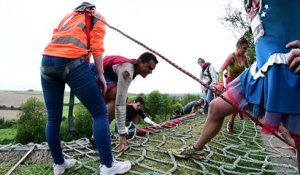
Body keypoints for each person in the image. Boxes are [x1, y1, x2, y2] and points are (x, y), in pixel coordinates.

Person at [172, 0, 300, 171]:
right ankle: (195, 148)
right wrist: (219, 82)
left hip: (290, 68)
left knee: (298, 138)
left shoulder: (244, 58)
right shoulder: (232, 55)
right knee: (216, 107)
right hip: (259, 71)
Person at [40, 2, 131, 175]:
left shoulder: (68, 17)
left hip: (46, 62)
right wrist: (100, 75)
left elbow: (56, 37)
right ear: (93, 9)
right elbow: (96, 46)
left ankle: (59, 164)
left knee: (53, 118)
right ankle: (108, 165)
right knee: (99, 113)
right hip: (72, 62)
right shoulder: (98, 18)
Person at [90, 52, 158, 151]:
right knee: (120, 97)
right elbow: (120, 103)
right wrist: (122, 134)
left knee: (118, 98)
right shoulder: (127, 71)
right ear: (140, 62)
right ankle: (98, 136)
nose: (150, 72)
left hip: (101, 75)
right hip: (93, 72)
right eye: (149, 68)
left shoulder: (131, 69)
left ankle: (96, 136)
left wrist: (153, 124)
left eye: (152, 69)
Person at [217, 37, 249, 132]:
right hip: (231, 83)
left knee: (238, 104)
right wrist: (220, 83)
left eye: (246, 49)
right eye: (244, 48)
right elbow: (220, 70)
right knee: (233, 104)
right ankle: (226, 118)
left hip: (239, 82)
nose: (245, 50)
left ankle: (231, 122)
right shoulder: (231, 57)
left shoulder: (245, 58)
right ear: (238, 46)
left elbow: (249, 69)